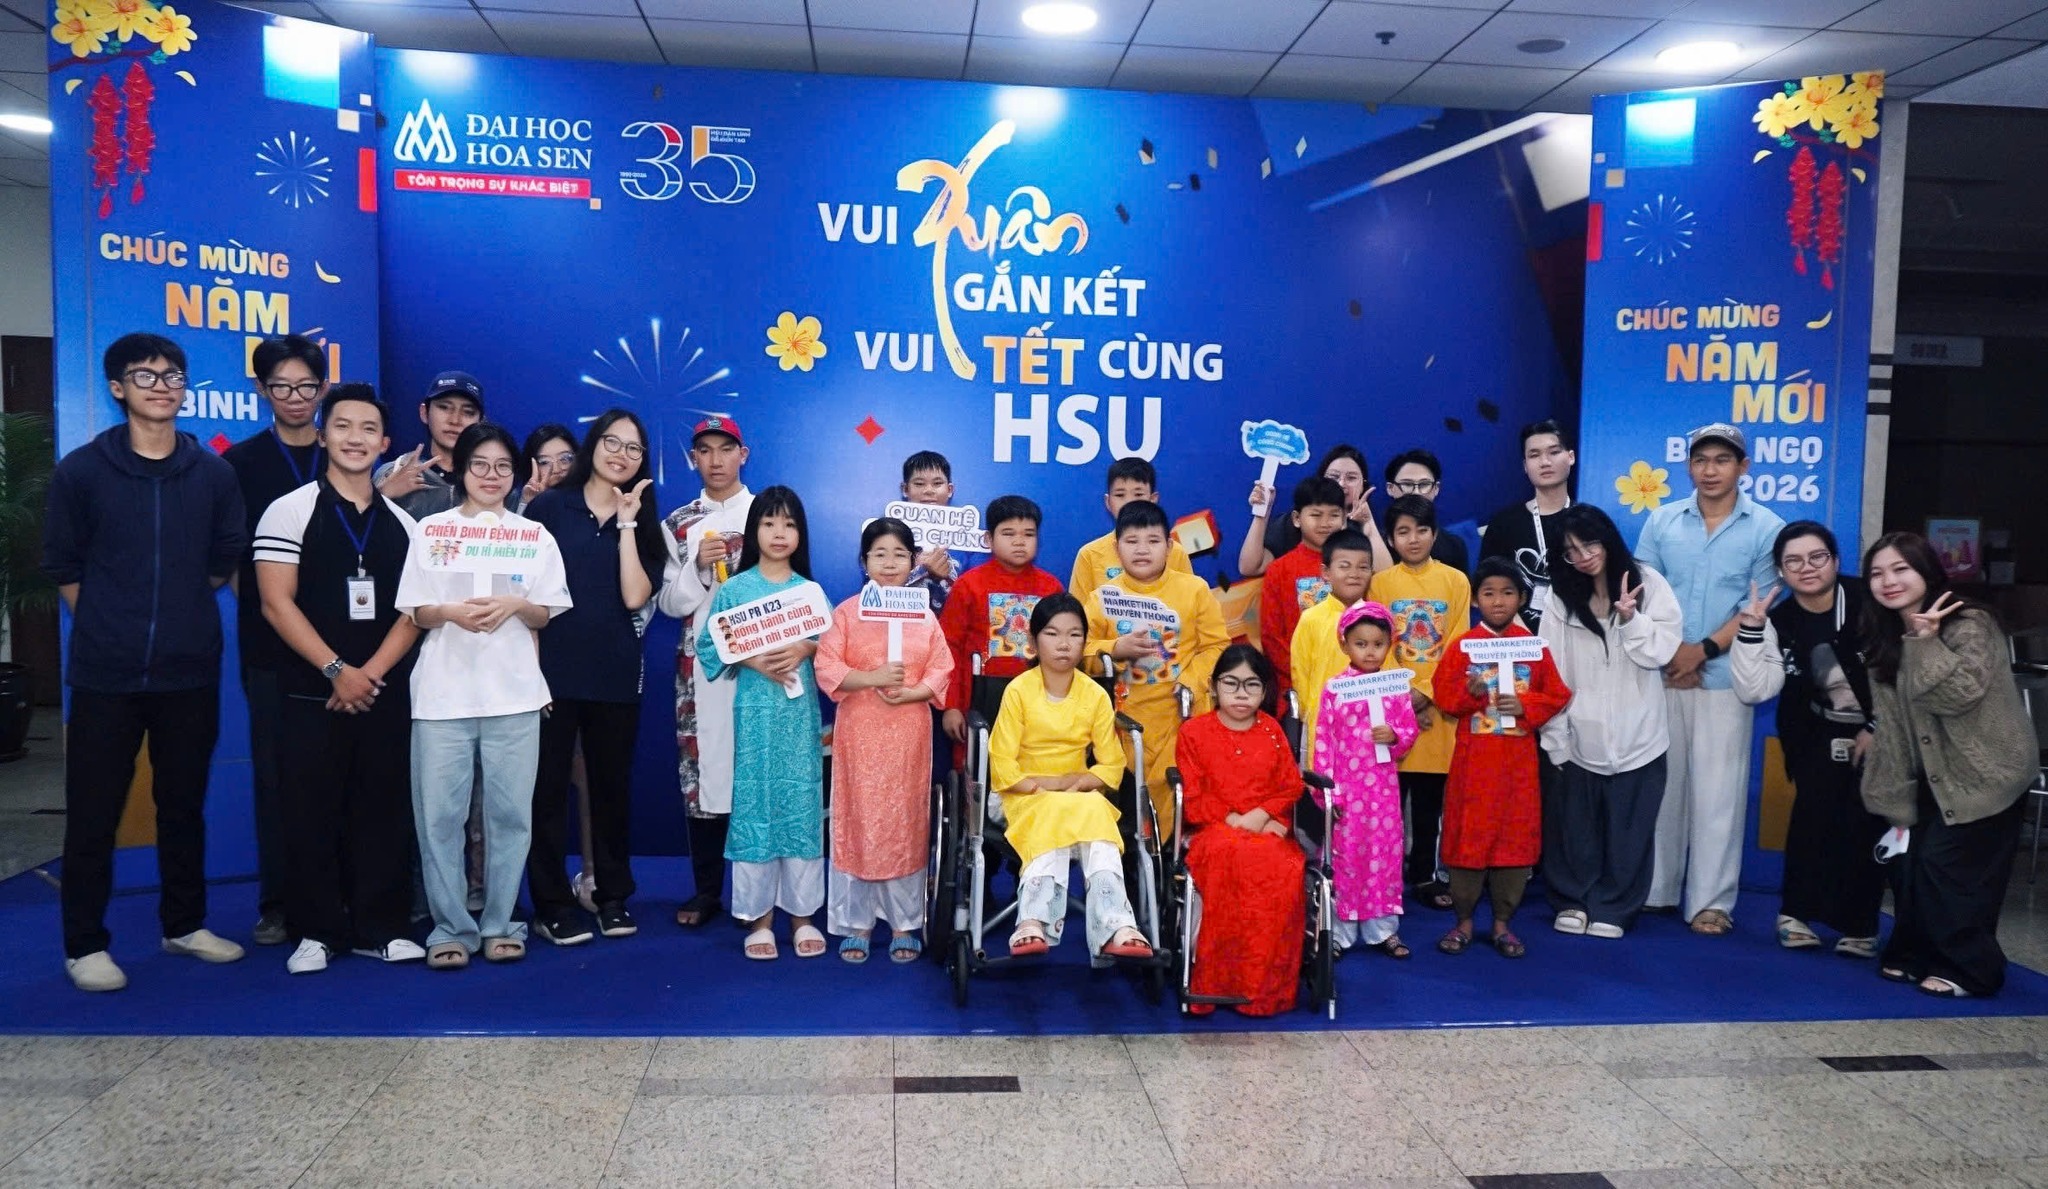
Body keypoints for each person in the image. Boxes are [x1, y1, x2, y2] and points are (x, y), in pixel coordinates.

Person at [42, 332, 249, 992]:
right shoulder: (82, 471)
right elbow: (64, 566)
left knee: (182, 805)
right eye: (145, 375)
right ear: (117, 387)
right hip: (106, 674)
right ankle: (84, 944)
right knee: (94, 812)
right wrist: (110, 621)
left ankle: (184, 924)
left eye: (173, 375)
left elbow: (221, 563)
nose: (162, 386)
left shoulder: (213, 474)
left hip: (189, 672)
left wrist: (176, 614)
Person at [252, 384, 422, 974]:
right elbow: (276, 603)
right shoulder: (289, 509)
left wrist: (367, 676)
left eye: (368, 429)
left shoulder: (404, 524)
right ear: (323, 435)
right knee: (309, 811)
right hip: (309, 691)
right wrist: (335, 670)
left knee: (383, 808)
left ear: (385, 442)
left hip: (381, 692)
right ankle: (317, 931)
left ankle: (382, 926)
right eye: (343, 426)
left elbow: (414, 612)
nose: (356, 438)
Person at [395, 422, 572, 969]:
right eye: (480, 465)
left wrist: (515, 605)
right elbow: (416, 609)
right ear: (462, 470)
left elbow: (546, 611)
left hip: (513, 695)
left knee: (511, 816)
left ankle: (499, 923)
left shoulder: (533, 536)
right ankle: (450, 927)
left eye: (502, 467)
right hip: (442, 695)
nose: (491, 476)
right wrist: (449, 612)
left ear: (515, 473)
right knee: (439, 818)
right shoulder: (432, 531)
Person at [1860, 532, 2037, 998]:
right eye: (1877, 573)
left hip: (1988, 773)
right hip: (1929, 775)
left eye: (1900, 569)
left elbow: (1958, 696)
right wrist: (1892, 792)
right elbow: (1892, 723)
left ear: (1927, 571)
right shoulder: (1882, 635)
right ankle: (1914, 954)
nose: (1888, 581)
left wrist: (1925, 643)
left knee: (1948, 868)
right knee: (1910, 866)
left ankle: (1972, 970)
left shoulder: (1969, 623)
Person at [1635, 423, 1785, 937]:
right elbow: (1645, 594)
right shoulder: (1662, 521)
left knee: (1719, 794)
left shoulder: (1767, 528)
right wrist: (1672, 654)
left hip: (1723, 678)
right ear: (1688, 467)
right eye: (1701, 460)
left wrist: (1701, 652)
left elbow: (1757, 604)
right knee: (1662, 787)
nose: (1710, 470)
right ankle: (1656, 890)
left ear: (1743, 467)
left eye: (1723, 460)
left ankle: (1711, 903)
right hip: (1662, 674)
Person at [521, 411, 664, 945]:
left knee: (610, 791)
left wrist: (627, 523)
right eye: (612, 442)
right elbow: (524, 590)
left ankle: (611, 897)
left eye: (633, 448)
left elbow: (634, 596)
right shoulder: (550, 507)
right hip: (551, 674)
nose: (621, 454)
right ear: (593, 445)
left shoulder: (645, 522)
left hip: (615, 674)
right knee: (546, 793)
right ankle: (552, 904)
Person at [1730, 521, 1888, 957]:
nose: (1807, 568)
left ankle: (1860, 925)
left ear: (1835, 560)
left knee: (1866, 824)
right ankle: (1795, 915)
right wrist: (1751, 631)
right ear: (1781, 572)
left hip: (1885, 728)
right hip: (1814, 728)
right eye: (1793, 561)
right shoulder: (1778, 620)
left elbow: (1903, 672)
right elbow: (1754, 690)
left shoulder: (1870, 602)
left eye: (1817, 557)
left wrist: (1877, 727)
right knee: (1810, 821)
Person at [221, 332, 327, 947]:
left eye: (306, 386)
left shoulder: (346, 454)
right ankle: (279, 903)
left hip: (351, 646)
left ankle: (343, 893)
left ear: (323, 389)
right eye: (281, 386)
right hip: (270, 648)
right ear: (262, 390)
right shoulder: (239, 464)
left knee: (346, 772)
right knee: (277, 775)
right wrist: (280, 615)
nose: (295, 397)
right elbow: (236, 566)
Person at [696, 486, 828, 960]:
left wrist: (808, 648)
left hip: (799, 718)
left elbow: (835, 650)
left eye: (789, 524)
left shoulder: (809, 592)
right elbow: (709, 645)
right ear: (754, 530)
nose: (779, 533)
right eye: (769, 523)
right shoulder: (735, 589)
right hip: (754, 715)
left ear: (801, 534)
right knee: (756, 806)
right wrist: (750, 658)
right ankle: (759, 920)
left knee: (800, 805)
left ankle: (803, 917)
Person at [1538, 505, 1682, 939]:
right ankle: (1572, 900)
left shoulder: (1649, 583)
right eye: (1571, 550)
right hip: (1579, 737)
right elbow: (1551, 671)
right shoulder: (1560, 597)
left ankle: (1615, 907)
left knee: (1630, 831)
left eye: (1589, 544)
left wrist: (1631, 619)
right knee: (1573, 829)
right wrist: (1556, 737)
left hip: (1640, 737)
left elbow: (1660, 652)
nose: (1583, 556)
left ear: (1608, 538)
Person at [816, 518, 954, 963]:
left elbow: (942, 666)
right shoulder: (846, 612)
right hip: (860, 730)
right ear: (864, 562)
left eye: (899, 554)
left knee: (905, 819)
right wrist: (871, 678)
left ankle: (903, 922)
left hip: (909, 731)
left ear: (913, 561)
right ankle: (857, 921)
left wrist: (914, 692)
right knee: (859, 817)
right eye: (880, 554)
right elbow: (827, 666)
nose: (890, 563)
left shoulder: (923, 614)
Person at [990, 594, 1153, 960]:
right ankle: (1032, 920)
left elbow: (1111, 765)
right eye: (1052, 634)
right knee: (1055, 809)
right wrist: (1051, 785)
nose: (1063, 644)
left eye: (1074, 634)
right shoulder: (1018, 691)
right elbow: (1002, 764)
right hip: (1020, 794)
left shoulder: (1094, 694)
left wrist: (1077, 784)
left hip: (1077, 794)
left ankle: (1117, 926)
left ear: (1084, 642)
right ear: (1033, 642)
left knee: (1095, 814)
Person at [1430, 558, 1570, 958]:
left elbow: (1557, 694)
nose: (1498, 601)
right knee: (1467, 839)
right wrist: (1471, 693)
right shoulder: (1463, 647)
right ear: (1476, 600)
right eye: (1489, 593)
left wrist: (1526, 705)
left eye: (1508, 593)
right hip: (1473, 765)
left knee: (1513, 839)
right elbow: (1444, 696)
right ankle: (1463, 921)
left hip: (1517, 767)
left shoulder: (1534, 647)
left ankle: (1503, 923)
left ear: (1522, 599)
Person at [656, 414, 754, 928]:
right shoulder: (678, 523)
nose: (716, 460)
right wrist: (697, 566)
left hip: (763, 663)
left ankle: (759, 892)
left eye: (726, 449)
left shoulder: (767, 513)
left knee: (758, 769)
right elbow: (669, 603)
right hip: (701, 664)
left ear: (743, 454)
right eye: (705, 451)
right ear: (693, 458)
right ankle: (707, 889)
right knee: (703, 770)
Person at [1175, 645, 1307, 1015]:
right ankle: (1219, 984)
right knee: (1232, 858)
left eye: (1252, 685)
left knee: (1283, 868)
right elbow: (1193, 795)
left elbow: (1290, 786)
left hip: (1267, 827)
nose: (1241, 693)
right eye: (1231, 683)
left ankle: (1261, 990)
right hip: (1213, 829)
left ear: (1264, 691)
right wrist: (1235, 819)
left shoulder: (1272, 730)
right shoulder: (1193, 732)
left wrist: (1265, 815)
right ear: (1214, 686)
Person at [1084, 500, 1229, 830]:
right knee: (1131, 804)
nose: (1142, 550)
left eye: (1152, 541)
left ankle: (1171, 855)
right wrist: (1115, 648)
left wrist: (1190, 681)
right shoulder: (1103, 597)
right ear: (1117, 549)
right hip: (1124, 721)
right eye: (1131, 541)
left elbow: (1217, 646)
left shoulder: (1194, 590)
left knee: (1178, 793)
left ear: (1169, 547)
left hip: (1181, 716)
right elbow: (1081, 653)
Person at [1366, 494, 1471, 911]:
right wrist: (1402, 701)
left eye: (1422, 530)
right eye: (1403, 532)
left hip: (1437, 713)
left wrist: (1425, 693)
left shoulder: (1455, 581)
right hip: (1393, 711)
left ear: (1435, 533)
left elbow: (1457, 647)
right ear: (1391, 538)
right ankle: (1387, 877)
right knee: (1389, 803)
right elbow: (1375, 646)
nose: (1413, 539)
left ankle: (1426, 875)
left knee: (1429, 803)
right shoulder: (1380, 583)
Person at [1311, 601, 1420, 958]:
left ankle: (1383, 930)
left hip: (1383, 792)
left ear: (1390, 644)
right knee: (1344, 858)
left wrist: (1395, 735)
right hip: (1346, 791)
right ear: (1344, 644)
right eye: (1361, 644)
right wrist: (1327, 795)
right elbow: (1324, 742)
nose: (1370, 651)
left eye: (1378, 644)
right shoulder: (1334, 688)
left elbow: (1409, 730)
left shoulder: (1395, 686)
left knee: (1383, 857)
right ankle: (1339, 934)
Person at [938, 495, 1064, 750]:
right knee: (979, 766)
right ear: (989, 539)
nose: (1019, 541)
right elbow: (948, 647)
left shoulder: (1051, 587)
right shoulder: (968, 585)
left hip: (1038, 700)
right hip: (978, 699)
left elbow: (1063, 647)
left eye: (1028, 534)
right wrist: (951, 706)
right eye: (1008, 533)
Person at [1238, 443, 1392, 579]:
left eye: (1351, 478)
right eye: (1334, 476)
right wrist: (1262, 513)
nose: (1341, 484)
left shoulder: (1363, 527)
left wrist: (1368, 522)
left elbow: (1385, 577)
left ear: (1363, 484)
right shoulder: (1293, 523)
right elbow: (1250, 567)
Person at [1478, 420, 1576, 629]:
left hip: (1579, 636)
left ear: (1571, 457)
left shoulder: (1589, 521)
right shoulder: (1503, 524)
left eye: (1554, 452)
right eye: (1534, 455)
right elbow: (1488, 587)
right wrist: (1524, 639)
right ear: (1525, 465)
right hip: (1518, 638)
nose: (1545, 462)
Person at [1291, 529, 1375, 761]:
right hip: (1323, 727)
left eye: (1363, 567)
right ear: (1325, 573)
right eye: (1344, 566)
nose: (1354, 574)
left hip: (1368, 729)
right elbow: (1301, 676)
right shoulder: (1311, 619)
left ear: (1372, 572)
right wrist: (1313, 717)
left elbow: (1386, 671)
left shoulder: (1377, 619)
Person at [1257, 476, 1346, 695]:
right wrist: (1303, 673)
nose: (1325, 523)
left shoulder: (1355, 566)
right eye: (1316, 515)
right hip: (1297, 686)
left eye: (1334, 515)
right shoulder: (1279, 570)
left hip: (1348, 683)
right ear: (1297, 519)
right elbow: (1272, 637)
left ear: (1344, 519)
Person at [1068, 457, 1192, 606]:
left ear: (1153, 499)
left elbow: (1190, 607)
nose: (1129, 502)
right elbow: (1077, 615)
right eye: (1120, 495)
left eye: (1138, 494)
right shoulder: (1089, 555)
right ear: (1108, 502)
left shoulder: (1176, 553)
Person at [373, 371, 484, 518]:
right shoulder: (393, 472)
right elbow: (361, 529)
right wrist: (382, 494)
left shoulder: (493, 479)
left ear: (480, 422)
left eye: (468, 412)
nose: (455, 420)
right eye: (444, 407)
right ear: (424, 412)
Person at [1383, 448, 1470, 574]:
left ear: (1436, 488)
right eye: (1407, 484)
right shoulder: (1378, 544)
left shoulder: (1454, 546)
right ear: (1390, 488)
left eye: (1424, 484)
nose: (1416, 493)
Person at [899, 449, 958, 614]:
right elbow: (874, 582)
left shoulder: (968, 536)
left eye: (937, 483)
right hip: (902, 621)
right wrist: (919, 569)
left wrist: (947, 574)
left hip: (951, 623)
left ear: (950, 489)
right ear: (905, 489)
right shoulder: (888, 532)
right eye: (919, 484)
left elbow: (976, 587)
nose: (929, 490)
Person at [516, 422, 578, 511]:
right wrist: (529, 503)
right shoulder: (521, 502)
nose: (556, 469)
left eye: (565, 458)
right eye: (544, 462)